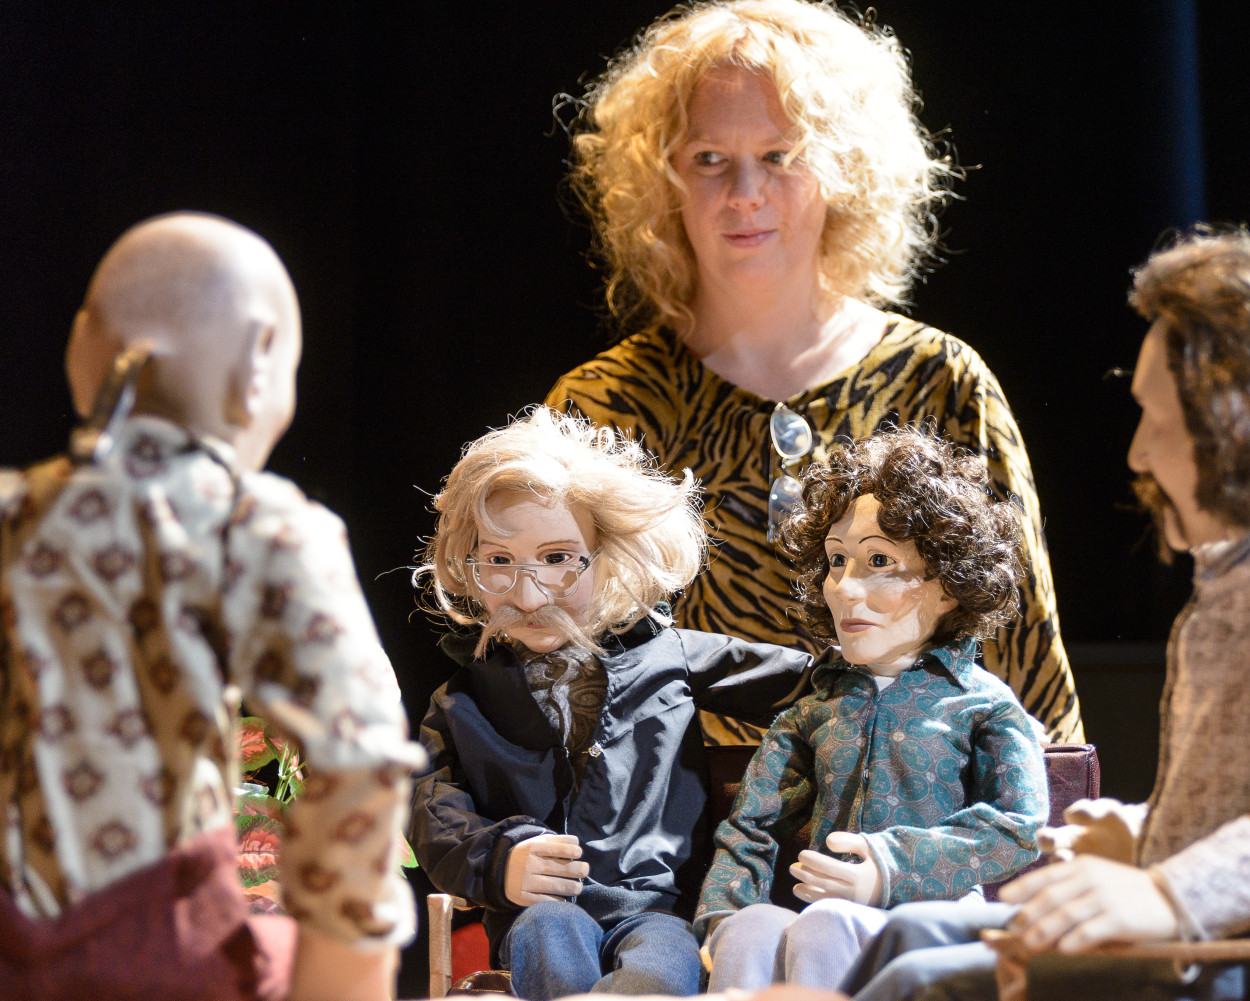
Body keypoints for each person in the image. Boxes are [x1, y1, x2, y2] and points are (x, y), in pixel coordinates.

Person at [838, 228, 1250, 1001]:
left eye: (1156, 418)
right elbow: (1234, 809)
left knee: (921, 982)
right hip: (1203, 939)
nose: (1139, 453)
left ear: (1242, 421)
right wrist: (1138, 833)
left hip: (1238, 964)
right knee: (910, 933)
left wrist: (1163, 891)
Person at [545, 0, 1081, 747]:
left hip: (908, 814)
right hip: (670, 821)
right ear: (660, 181)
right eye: (708, 159)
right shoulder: (599, 409)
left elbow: (1028, 671)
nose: (745, 193)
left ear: (845, 169)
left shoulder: (943, 381)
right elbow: (553, 673)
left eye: (780, 155)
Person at [0, 212, 424, 1001]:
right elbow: (360, 755)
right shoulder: (256, 524)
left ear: (81, 351)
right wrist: (341, 982)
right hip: (168, 950)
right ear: (260, 363)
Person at [407, 407, 817, 1000]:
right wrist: (497, 858)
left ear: (610, 554)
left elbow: (812, 686)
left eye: (558, 559)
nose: (529, 595)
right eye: (498, 561)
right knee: (548, 928)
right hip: (535, 914)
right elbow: (429, 808)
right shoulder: (461, 702)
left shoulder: (673, 657)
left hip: (658, 910)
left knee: (662, 958)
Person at [695, 427, 1050, 992]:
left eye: (879, 560)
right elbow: (751, 825)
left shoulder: (981, 705)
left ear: (948, 584)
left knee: (826, 924)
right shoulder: (814, 712)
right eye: (837, 561)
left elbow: (1018, 824)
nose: (844, 587)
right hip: (824, 916)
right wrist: (723, 915)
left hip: (934, 921)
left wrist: (890, 865)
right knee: (750, 929)